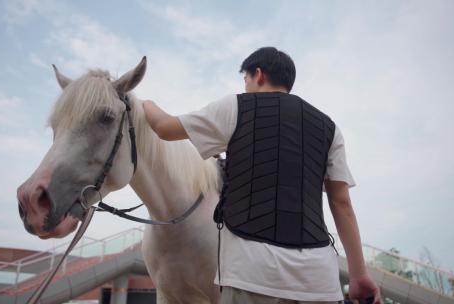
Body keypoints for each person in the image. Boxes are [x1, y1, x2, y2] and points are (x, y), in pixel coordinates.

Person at [142, 47, 382, 304]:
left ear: (258, 74)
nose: (244, 86)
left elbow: (164, 128)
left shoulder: (235, 107)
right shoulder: (330, 128)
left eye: (245, 79)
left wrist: (144, 103)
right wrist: (358, 274)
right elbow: (341, 204)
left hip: (250, 274)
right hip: (318, 279)